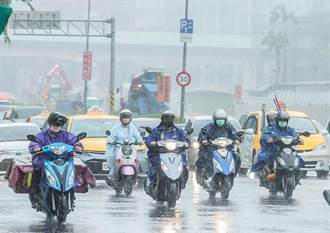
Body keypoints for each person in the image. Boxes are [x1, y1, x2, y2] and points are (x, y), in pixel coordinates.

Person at [28, 112, 83, 208]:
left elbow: (75, 141)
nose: (56, 127)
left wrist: (77, 146)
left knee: (74, 169)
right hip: (45, 160)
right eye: (54, 124)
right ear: (50, 124)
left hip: (64, 160)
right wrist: (36, 147)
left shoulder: (67, 135)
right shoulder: (41, 135)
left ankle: (72, 194)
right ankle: (35, 194)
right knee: (37, 170)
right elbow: (34, 143)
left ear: (62, 125)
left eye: (59, 125)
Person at [144, 111, 190, 190]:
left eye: (171, 118)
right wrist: (152, 143)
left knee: (184, 167)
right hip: (159, 154)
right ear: (162, 119)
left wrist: (186, 143)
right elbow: (149, 140)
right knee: (156, 167)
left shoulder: (178, 131)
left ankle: (182, 184)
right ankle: (152, 184)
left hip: (176, 154)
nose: (168, 120)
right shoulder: (156, 130)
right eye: (166, 118)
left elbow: (185, 139)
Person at [196, 109, 241, 187]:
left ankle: (232, 175)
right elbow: (203, 133)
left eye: (222, 120)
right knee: (205, 157)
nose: (220, 122)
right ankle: (208, 176)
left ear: (225, 120)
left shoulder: (228, 126)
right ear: (214, 120)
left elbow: (234, 133)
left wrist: (237, 139)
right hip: (212, 148)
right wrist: (203, 139)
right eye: (219, 120)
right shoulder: (210, 126)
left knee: (237, 157)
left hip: (227, 148)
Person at [105, 109, 143, 186]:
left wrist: (140, 141)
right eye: (124, 117)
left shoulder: (132, 127)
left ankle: (137, 173)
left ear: (130, 119)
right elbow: (111, 136)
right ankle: (112, 174)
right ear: (121, 118)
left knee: (139, 159)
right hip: (118, 147)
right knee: (112, 157)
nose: (126, 119)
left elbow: (137, 136)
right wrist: (110, 141)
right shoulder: (116, 127)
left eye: (127, 117)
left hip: (130, 148)